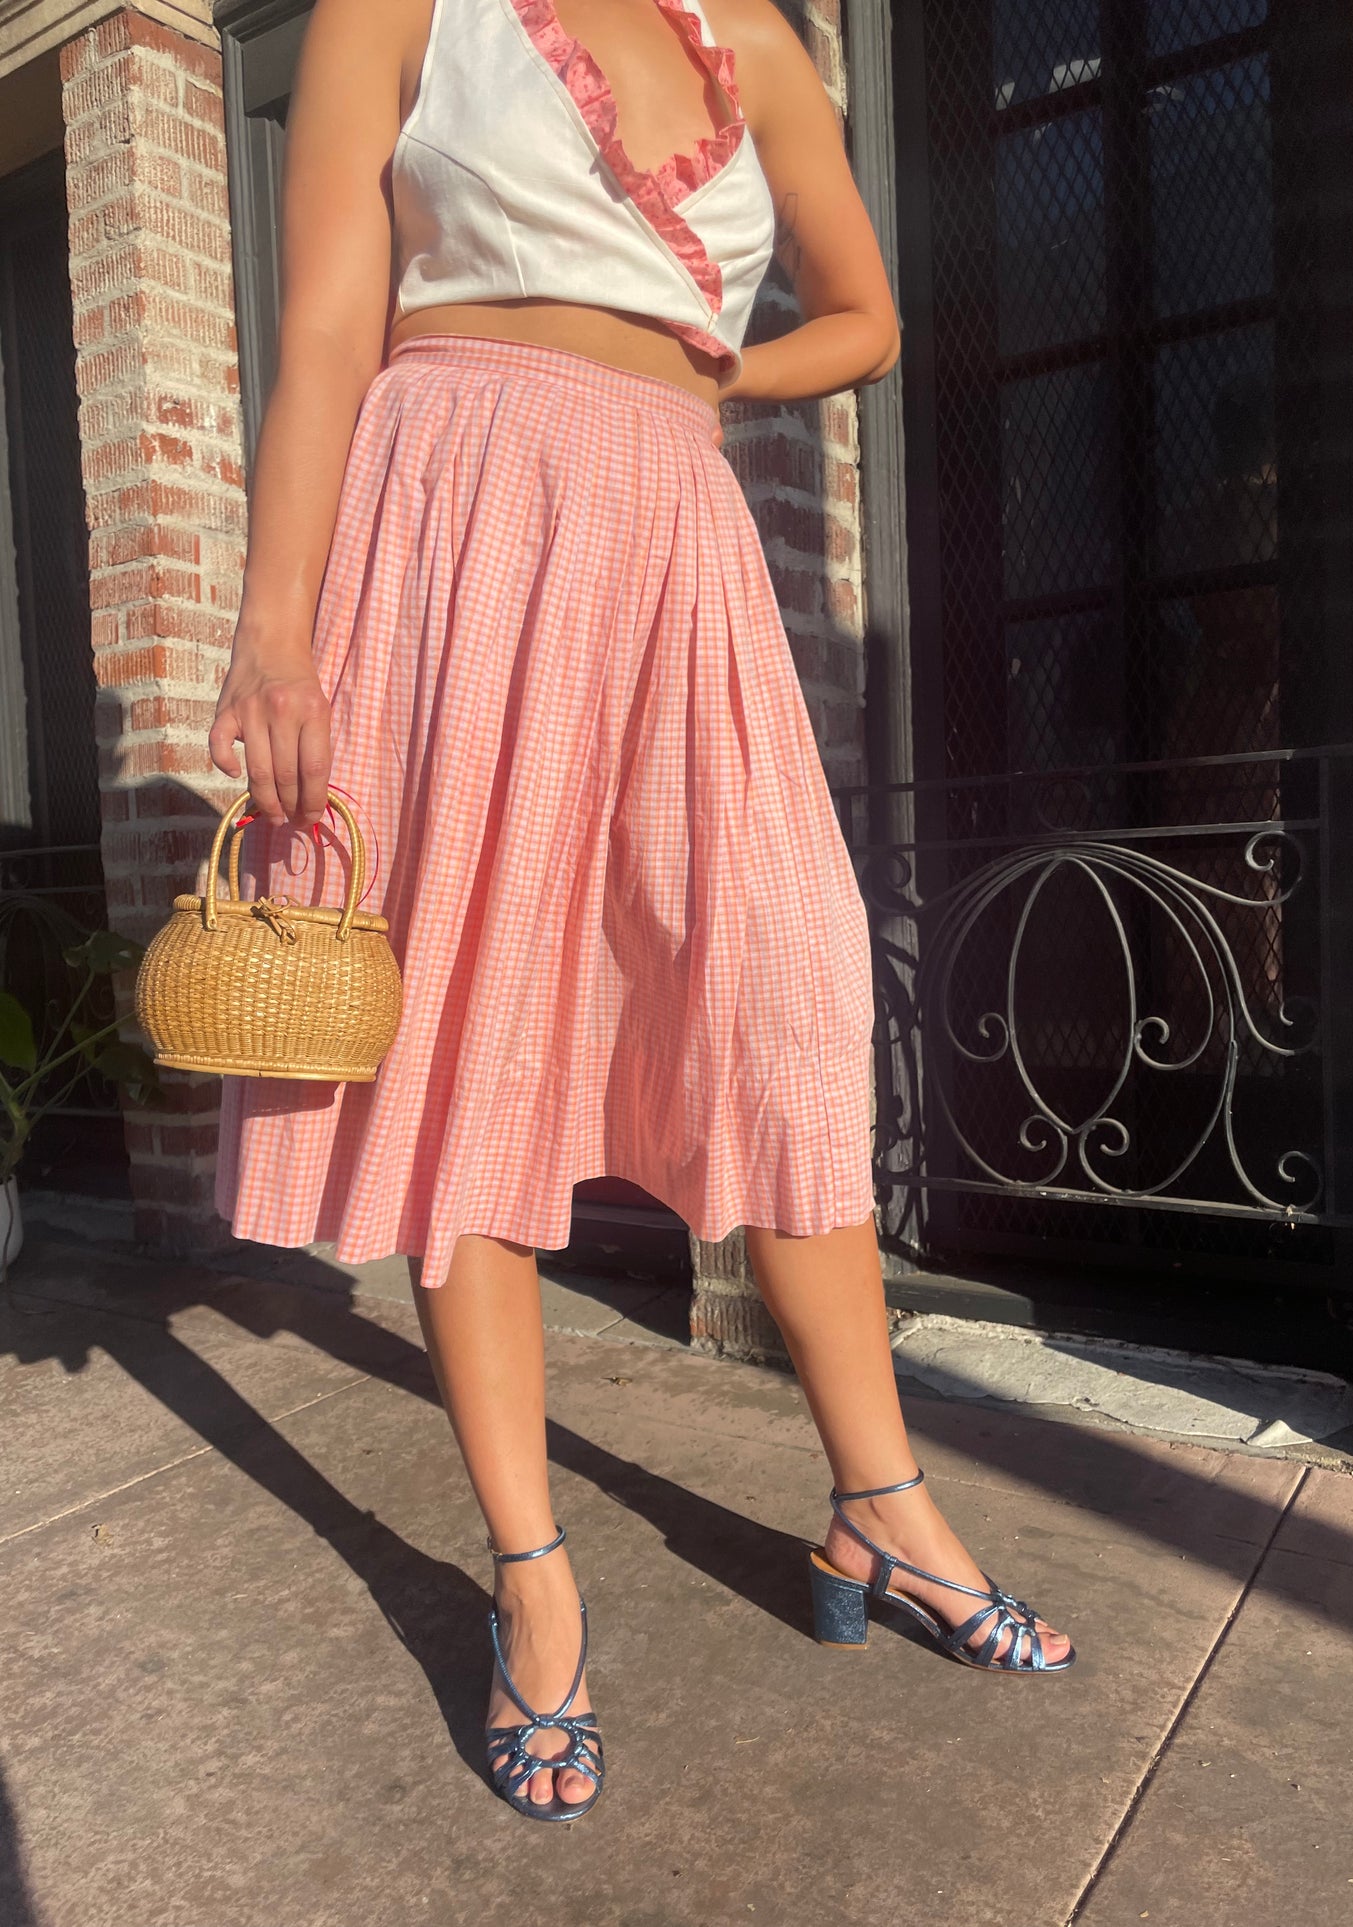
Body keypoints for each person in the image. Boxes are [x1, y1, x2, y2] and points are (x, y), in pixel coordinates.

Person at [208, 0, 1075, 1824]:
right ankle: (533, 1580)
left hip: (676, 536)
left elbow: (866, 316)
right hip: (452, 523)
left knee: (784, 997)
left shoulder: (756, 40)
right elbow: (318, 333)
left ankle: (877, 1497)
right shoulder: (400, 9)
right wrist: (276, 632)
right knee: (476, 1041)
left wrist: (715, 380)